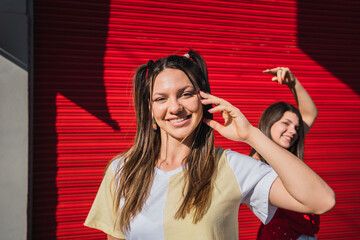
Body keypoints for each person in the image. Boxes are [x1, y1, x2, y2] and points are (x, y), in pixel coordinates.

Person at [84, 50, 335, 240]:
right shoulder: (121, 169)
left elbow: (322, 201)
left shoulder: (232, 166)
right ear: (150, 110)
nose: (175, 107)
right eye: (161, 98)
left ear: (203, 99)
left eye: (186, 94)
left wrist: (251, 134)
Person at [250, 67, 320, 240]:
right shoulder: (255, 161)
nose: (293, 131)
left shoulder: (287, 155)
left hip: (306, 235)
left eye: (296, 127)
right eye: (286, 123)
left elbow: (310, 113)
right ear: (269, 122)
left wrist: (293, 83)